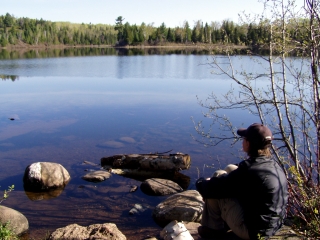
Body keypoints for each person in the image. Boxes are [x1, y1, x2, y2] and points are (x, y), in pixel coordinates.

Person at [196, 123, 288, 239]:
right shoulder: (272, 165)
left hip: (254, 232)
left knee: (215, 194)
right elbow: (239, 176)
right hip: (272, 225)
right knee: (229, 169)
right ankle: (224, 224)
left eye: (244, 139)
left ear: (248, 144)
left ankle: (213, 232)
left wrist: (201, 182)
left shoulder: (249, 170)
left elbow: (211, 189)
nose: (242, 141)